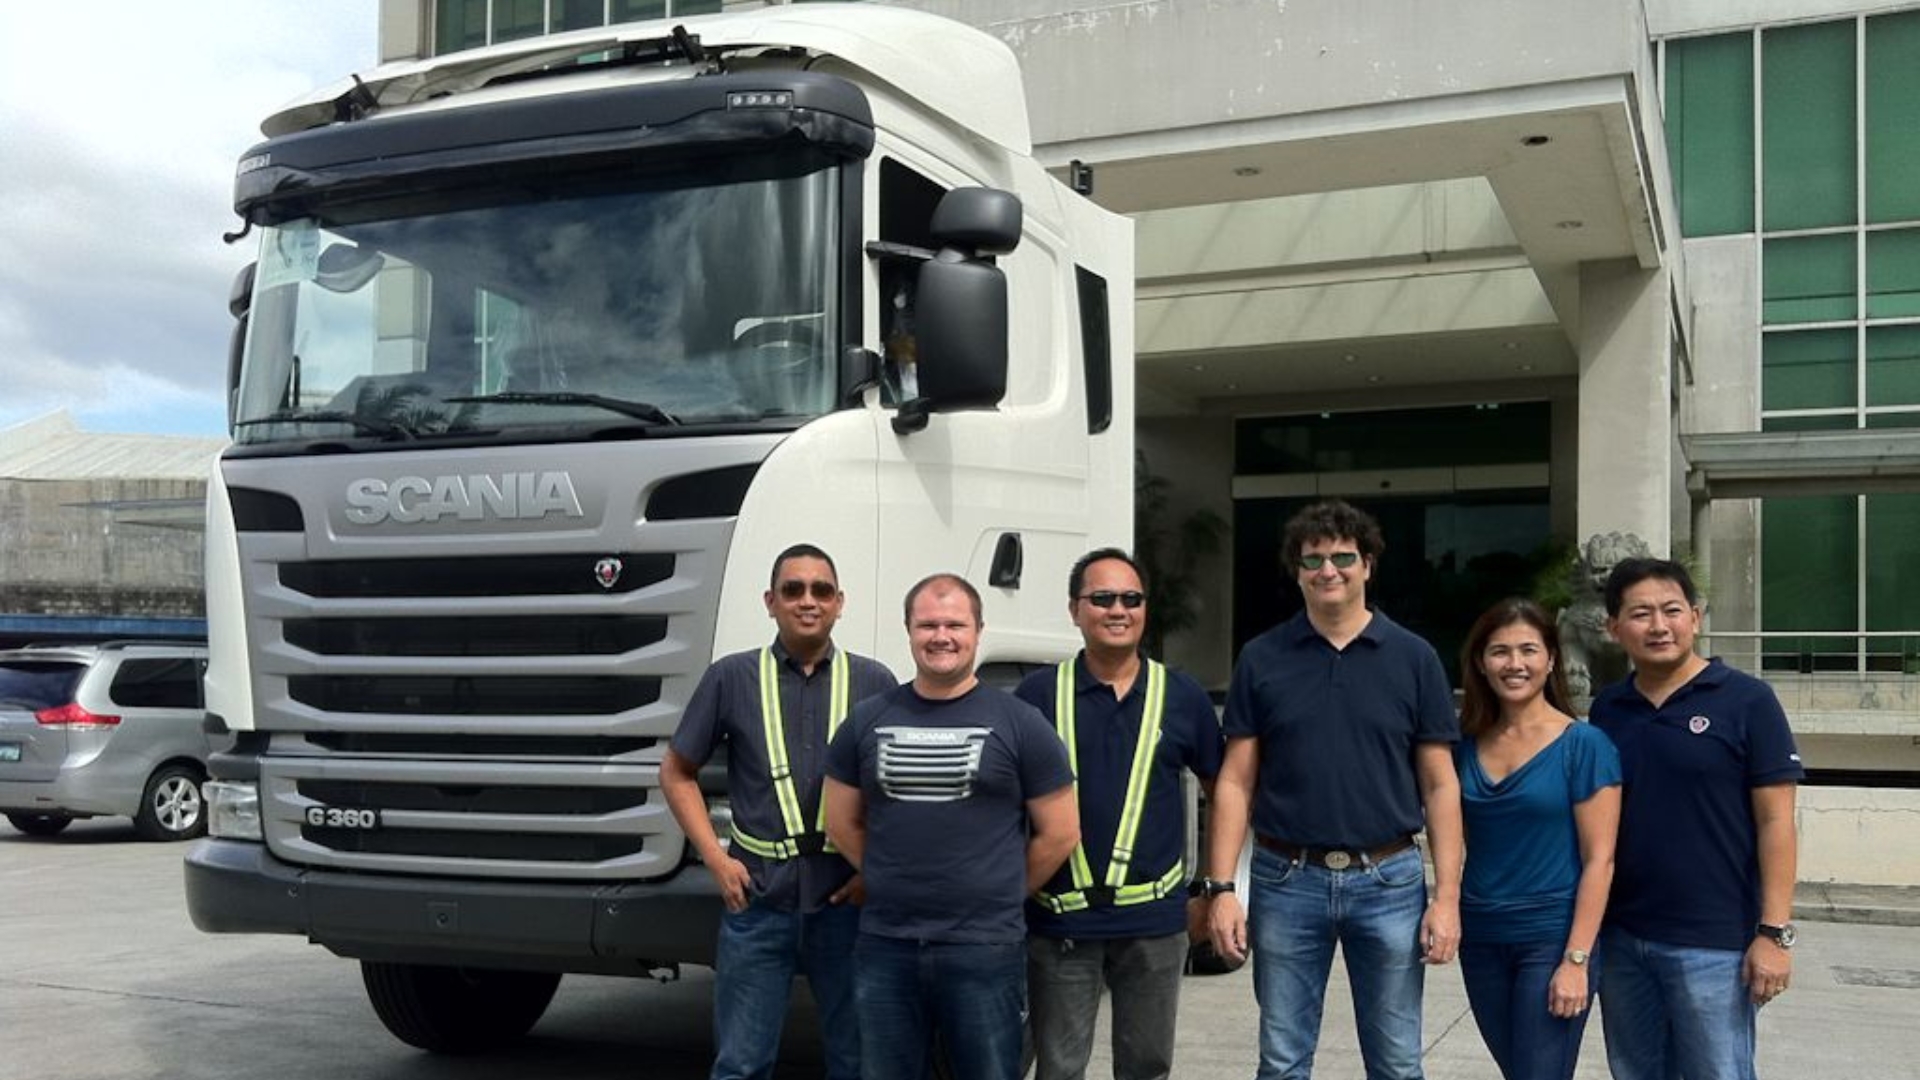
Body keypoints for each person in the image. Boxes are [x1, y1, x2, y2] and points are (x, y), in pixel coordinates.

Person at [1205, 498, 1463, 1080]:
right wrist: (1222, 888)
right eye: (1313, 559)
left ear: (1368, 564)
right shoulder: (1262, 658)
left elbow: (1440, 784)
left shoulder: (1414, 658)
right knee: (1282, 1059)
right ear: (1296, 570)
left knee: (1397, 1062)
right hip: (1284, 878)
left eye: (1343, 556)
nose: (1329, 570)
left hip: (1390, 880)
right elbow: (1236, 780)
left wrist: (1446, 896)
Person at [824, 573, 1080, 1080]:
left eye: (955, 624)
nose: (942, 636)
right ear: (909, 630)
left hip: (984, 948)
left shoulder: (1020, 722)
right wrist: (885, 871)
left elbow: (1061, 831)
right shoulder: (867, 719)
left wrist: (1004, 890)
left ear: (979, 630)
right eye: (928, 625)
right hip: (887, 944)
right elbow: (840, 820)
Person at [660, 544, 898, 1080]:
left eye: (821, 591)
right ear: (770, 602)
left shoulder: (874, 683)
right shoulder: (731, 678)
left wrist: (872, 868)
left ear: (840, 603)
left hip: (846, 906)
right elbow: (676, 772)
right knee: (742, 1064)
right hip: (758, 903)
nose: (807, 601)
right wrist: (716, 861)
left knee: (859, 1060)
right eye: (793, 590)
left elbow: (897, 790)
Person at [1016, 548, 1225, 1080]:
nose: (1117, 610)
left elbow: (1223, 789)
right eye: (1102, 598)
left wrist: (1211, 889)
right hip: (1059, 919)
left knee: (1147, 1067)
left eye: (1131, 599)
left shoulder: (1181, 696)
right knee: (1059, 1068)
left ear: (1145, 610)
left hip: (1153, 923)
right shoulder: (1037, 696)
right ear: (1074, 610)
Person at [1590, 558, 1802, 1080]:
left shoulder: (1748, 701)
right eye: (1641, 614)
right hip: (1621, 938)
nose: (1659, 626)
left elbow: (1778, 822)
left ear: (1696, 617)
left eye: (1672, 611)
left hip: (1714, 941)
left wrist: (1773, 934)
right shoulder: (1607, 711)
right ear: (1614, 628)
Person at [1454, 598, 1621, 1080]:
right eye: (1500, 651)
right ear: (1482, 665)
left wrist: (1577, 960)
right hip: (1482, 938)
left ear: (1551, 660)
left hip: (1551, 939)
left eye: (1528, 650)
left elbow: (1600, 861)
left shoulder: (1584, 745)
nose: (1515, 664)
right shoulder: (1464, 745)